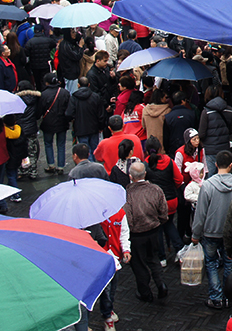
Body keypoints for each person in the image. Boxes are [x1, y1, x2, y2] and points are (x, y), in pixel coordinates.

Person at [192, 150, 232, 309]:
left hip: (210, 232)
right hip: (231, 233)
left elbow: (201, 212)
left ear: (215, 164)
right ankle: (230, 296)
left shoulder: (207, 185)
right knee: (229, 263)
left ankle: (216, 297)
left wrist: (195, 234)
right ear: (231, 165)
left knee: (211, 263)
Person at [124, 161, 169, 302]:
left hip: (137, 235)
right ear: (145, 173)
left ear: (130, 176)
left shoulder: (128, 194)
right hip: (154, 231)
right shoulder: (156, 190)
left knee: (139, 265)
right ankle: (161, 284)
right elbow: (164, 212)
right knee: (154, 259)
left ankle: (145, 293)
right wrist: (158, 223)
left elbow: (128, 219)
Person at [145, 137, 185, 266]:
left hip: (155, 203)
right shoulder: (169, 161)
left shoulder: (145, 164)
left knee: (158, 229)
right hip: (171, 200)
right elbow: (179, 180)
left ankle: (162, 257)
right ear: (160, 148)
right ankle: (179, 248)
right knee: (169, 224)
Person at [98, 205, 130, 331]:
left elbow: (124, 233)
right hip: (101, 258)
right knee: (106, 289)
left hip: (115, 258)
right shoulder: (95, 217)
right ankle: (107, 317)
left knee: (113, 288)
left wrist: (126, 249)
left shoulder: (121, 214)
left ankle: (109, 309)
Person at [198, 85, 232, 177]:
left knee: (210, 177)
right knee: (224, 175)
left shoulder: (206, 112)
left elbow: (201, 134)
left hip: (210, 150)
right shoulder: (229, 110)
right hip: (224, 148)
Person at [38, 72, 72, 173]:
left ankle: (51, 164)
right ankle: (61, 166)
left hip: (48, 122)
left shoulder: (43, 94)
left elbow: (39, 110)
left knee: (48, 143)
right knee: (61, 144)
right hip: (62, 121)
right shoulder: (64, 92)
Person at [67, 76, 106, 159]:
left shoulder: (74, 98)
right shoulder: (95, 97)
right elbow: (101, 114)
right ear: (89, 85)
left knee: (84, 151)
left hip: (80, 128)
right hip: (94, 127)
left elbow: (69, 113)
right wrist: (101, 126)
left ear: (78, 85)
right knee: (94, 149)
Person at [14, 80, 42, 180]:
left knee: (20, 151)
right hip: (31, 128)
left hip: (20, 129)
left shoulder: (16, 99)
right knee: (32, 151)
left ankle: (22, 170)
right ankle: (33, 171)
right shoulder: (35, 98)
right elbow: (38, 113)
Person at [164, 91, 197, 157]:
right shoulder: (192, 114)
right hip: (190, 147)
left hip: (174, 148)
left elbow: (166, 137)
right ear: (183, 101)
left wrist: (167, 149)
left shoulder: (168, 117)